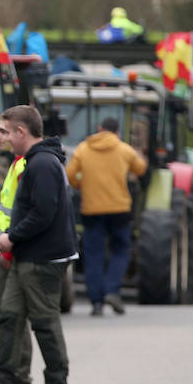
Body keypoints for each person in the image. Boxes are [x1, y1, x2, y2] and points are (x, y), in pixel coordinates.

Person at [0, 105, 76, 384]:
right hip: (25, 257)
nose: (0, 137)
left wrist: (10, 238)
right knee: (8, 316)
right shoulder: (32, 162)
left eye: (4, 131)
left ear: (21, 132)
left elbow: (42, 213)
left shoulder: (41, 165)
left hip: (42, 260)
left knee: (44, 323)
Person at [66, 117, 146, 317]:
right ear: (117, 132)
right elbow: (141, 169)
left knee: (94, 255)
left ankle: (96, 302)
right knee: (120, 249)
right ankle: (112, 290)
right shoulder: (124, 149)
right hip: (119, 209)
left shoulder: (83, 149)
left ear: (99, 129)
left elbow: (69, 175)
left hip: (91, 209)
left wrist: (81, 185)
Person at [0, 117, 32, 384]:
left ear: (19, 132)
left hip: (6, 253)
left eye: (3, 131)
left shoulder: (24, 167)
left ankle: (18, 381)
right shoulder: (16, 164)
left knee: (10, 320)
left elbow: (21, 215)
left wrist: (8, 252)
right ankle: (13, 377)